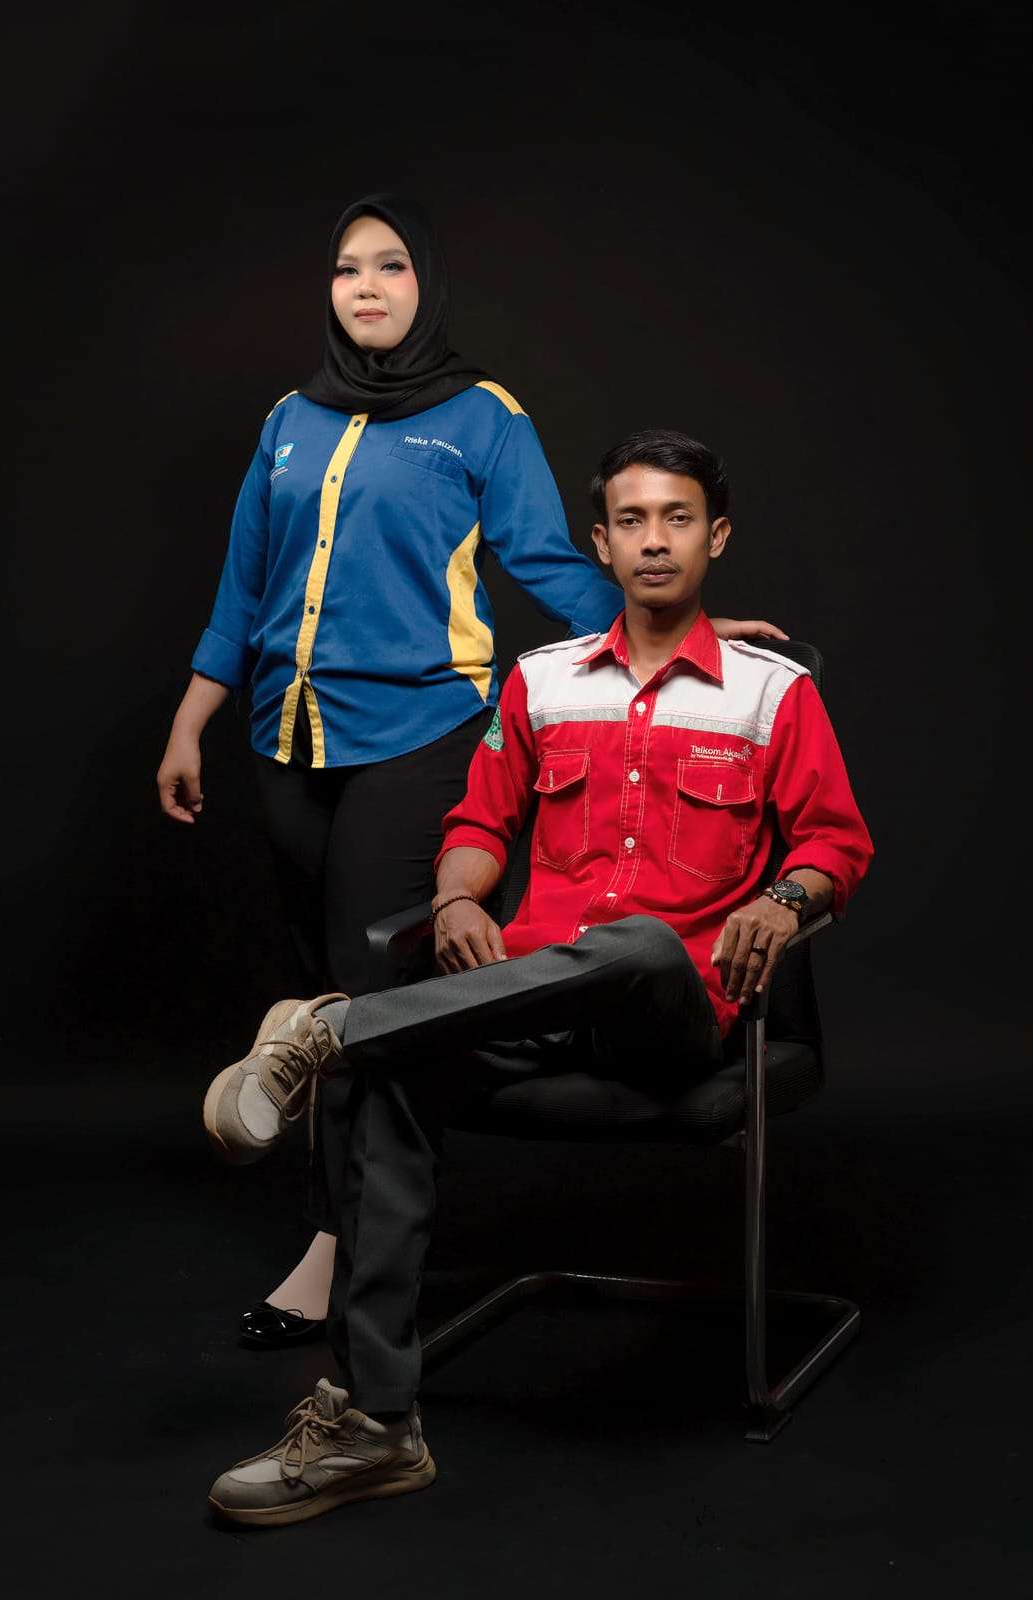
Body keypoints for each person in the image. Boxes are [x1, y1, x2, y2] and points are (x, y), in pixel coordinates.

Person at [201, 427, 874, 1525]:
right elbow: (478, 824)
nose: (653, 541)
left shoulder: (770, 692)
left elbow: (834, 844)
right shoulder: (540, 682)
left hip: (671, 1017)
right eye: (630, 521)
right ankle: (377, 1425)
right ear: (599, 544)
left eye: (676, 519)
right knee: (392, 1075)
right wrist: (458, 898)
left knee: (642, 943)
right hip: (522, 999)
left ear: (715, 537)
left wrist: (783, 901)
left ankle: (333, 1029)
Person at [157, 195, 785, 1345]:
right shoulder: (289, 418)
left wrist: (674, 625)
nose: (367, 286)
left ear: (426, 284)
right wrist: (192, 720)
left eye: (391, 265)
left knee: (370, 983)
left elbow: (546, 557)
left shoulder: (481, 416)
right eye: (348, 268)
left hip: (421, 733)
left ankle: (340, 1251)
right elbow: (245, 580)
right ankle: (349, 1219)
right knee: (316, 986)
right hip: (285, 738)